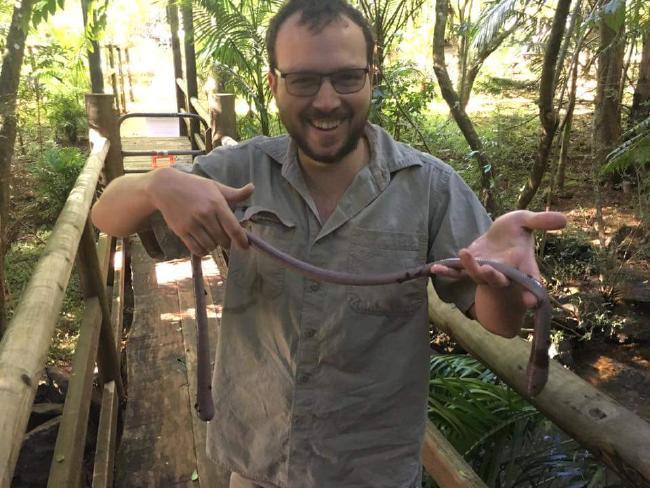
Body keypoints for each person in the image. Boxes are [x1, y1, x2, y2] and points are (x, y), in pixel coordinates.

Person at [91, 0, 566, 486]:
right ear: (274, 83)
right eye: (303, 80)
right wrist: (158, 184)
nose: (325, 100)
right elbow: (105, 215)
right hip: (259, 462)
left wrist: (507, 284)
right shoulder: (241, 170)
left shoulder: (430, 187)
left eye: (346, 77)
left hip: (371, 468)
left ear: (371, 77)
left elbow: (500, 323)